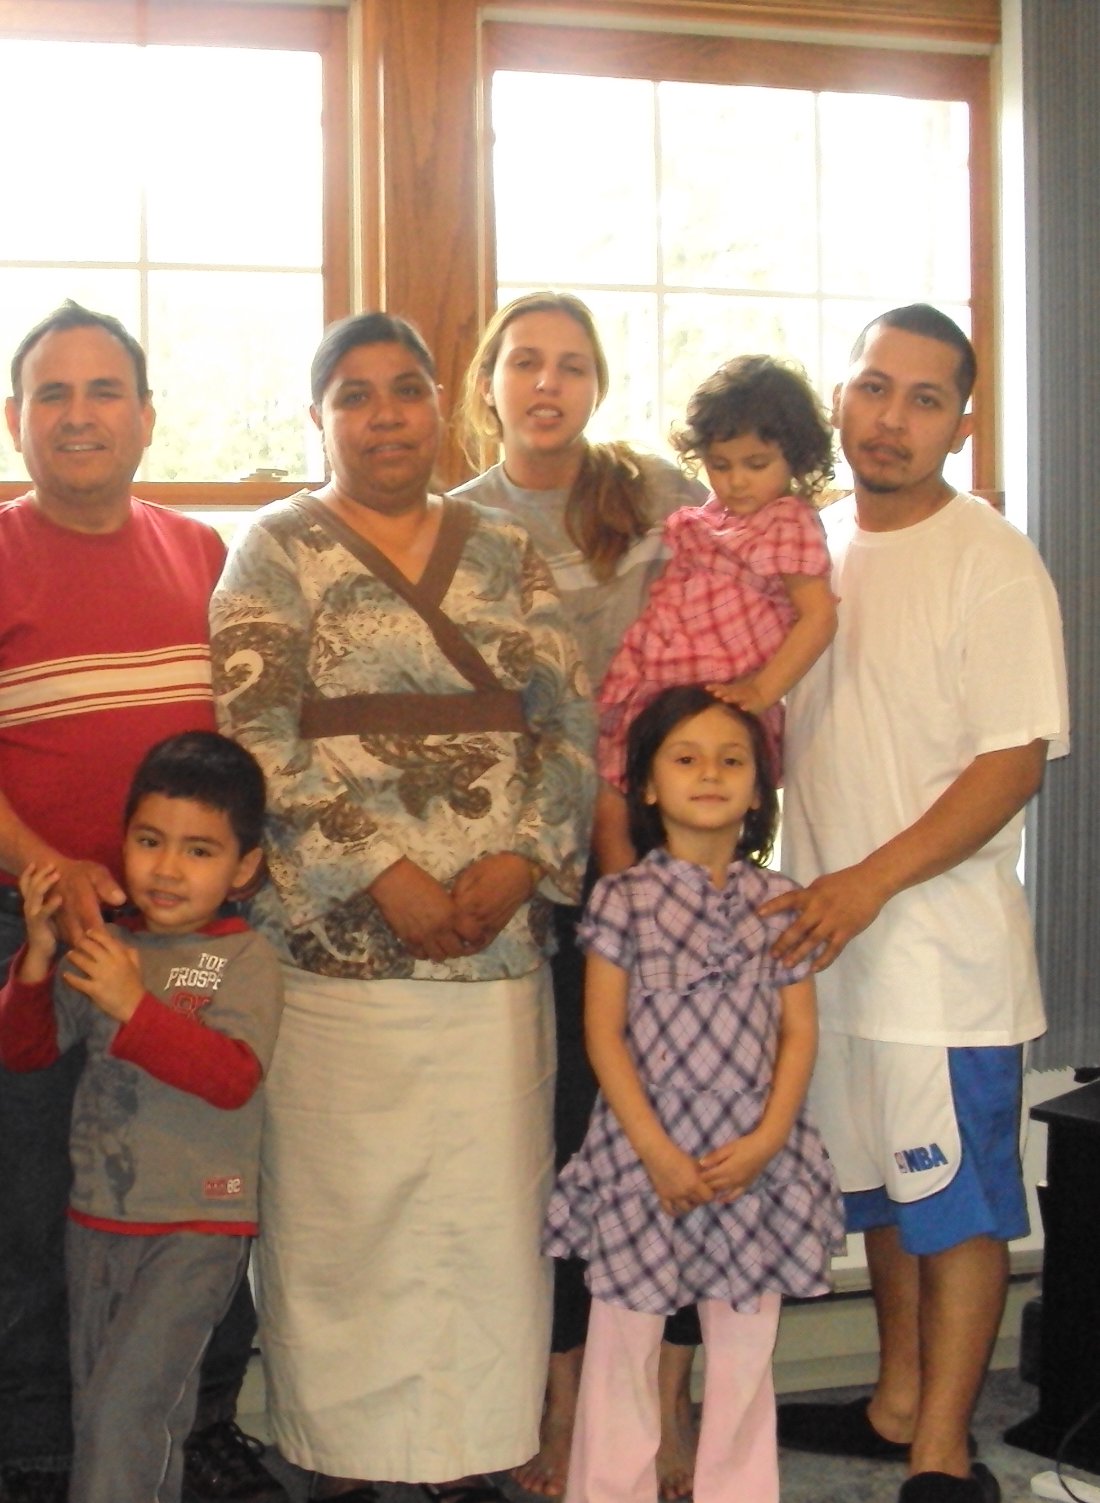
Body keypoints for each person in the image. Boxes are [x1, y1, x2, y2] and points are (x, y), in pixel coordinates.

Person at [212, 311, 595, 1500]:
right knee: (343, 1218)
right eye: (355, 394)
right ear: (318, 416)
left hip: (493, 952)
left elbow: (568, 726)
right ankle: (339, 1455)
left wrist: (520, 862)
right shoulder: (271, 550)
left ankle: (478, 1446)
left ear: (440, 406)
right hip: (338, 954)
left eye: (405, 389)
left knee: (486, 1216)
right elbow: (255, 735)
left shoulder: (509, 551)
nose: (384, 415)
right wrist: (384, 874)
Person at [0, 302, 279, 1503]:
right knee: (33, 1211)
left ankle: (198, 1424)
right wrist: (50, 873)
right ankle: (35, 1452)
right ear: (14, 420)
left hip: (195, 945)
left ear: (145, 417)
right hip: (30, 943)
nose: (78, 414)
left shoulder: (201, 557)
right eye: (52, 394)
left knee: (203, 1195)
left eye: (103, 390)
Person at [765, 304, 1069, 1503]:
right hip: (825, 950)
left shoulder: (988, 557)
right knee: (882, 1194)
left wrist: (865, 883)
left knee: (956, 1207)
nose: (890, 418)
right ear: (839, 397)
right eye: (872, 388)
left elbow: (1010, 765)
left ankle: (944, 1452)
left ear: (959, 423)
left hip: (937, 962)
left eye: (923, 398)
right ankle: (895, 1402)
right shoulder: (811, 546)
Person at [451, 291, 708, 1499]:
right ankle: (559, 1403)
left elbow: (747, 613)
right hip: (538, 881)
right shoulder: (456, 523)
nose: (545, 383)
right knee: (563, 1147)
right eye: (523, 363)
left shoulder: (655, 494)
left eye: (569, 365)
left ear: (596, 384)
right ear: (487, 384)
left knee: (685, 1128)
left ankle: (666, 1398)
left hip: (673, 867)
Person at [545, 684, 843, 1503]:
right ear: (647, 785)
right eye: (686, 758)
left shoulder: (779, 901)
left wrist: (768, 1139)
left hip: (753, 1156)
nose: (709, 773)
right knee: (622, 1351)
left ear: (758, 788)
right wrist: (654, 1152)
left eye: (731, 760)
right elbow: (603, 1036)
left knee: (745, 1358)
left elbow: (798, 1033)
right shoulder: (622, 898)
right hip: (646, 1156)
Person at [0, 731, 282, 1503]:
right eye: (149, 841)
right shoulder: (107, 947)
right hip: (98, 1220)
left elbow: (231, 1078)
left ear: (243, 866)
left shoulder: (242, 959)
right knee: (104, 1412)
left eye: (199, 850)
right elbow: (26, 1050)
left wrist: (134, 1007)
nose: (167, 867)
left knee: (128, 1411)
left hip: (196, 1227)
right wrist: (36, 958)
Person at [592, 354, 838, 879]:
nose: (736, 481)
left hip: (722, 696)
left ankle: (702, 903)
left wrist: (762, 690)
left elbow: (818, 618)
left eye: (756, 464)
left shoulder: (788, 520)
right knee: (614, 791)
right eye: (720, 465)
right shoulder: (709, 519)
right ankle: (622, 899)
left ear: (796, 457)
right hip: (657, 678)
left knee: (704, 820)